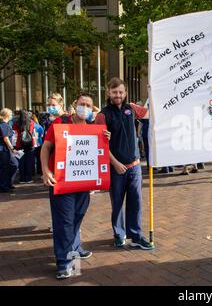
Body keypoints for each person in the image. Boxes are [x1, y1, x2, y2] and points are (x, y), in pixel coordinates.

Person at [41, 92, 110, 279]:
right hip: (61, 182)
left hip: (82, 184)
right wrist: (45, 170)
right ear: (75, 104)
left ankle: (73, 249)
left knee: (77, 217)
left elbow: (96, 154)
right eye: (82, 104)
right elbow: (46, 147)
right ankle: (64, 262)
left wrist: (104, 139)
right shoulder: (60, 123)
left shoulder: (92, 128)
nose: (85, 108)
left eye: (89, 105)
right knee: (64, 221)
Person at [95, 77, 153, 250]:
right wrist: (114, 163)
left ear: (125, 92)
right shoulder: (102, 115)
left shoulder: (132, 109)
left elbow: (151, 113)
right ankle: (119, 235)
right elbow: (101, 145)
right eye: (114, 92)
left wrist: (153, 92)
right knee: (118, 203)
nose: (118, 95)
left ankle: (135, 236)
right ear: (108, 93)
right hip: (116, 168)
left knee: (135, 202)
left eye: (121, 92)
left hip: (134, 166)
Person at [13, 110, 36, 184]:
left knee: (21, 162)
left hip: (19, 145)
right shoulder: (31, 122)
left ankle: (22, 178)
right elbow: (32, 132)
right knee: (29, 161)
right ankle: (28, 178)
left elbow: (15, 133)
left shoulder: (16, 123)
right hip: (30, 144)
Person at [0, 108, 19, 193]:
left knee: (14, 164)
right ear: (7, 115)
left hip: (6, 149)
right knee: (4, 168)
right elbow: (6, 138)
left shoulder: (5, 124)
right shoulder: (4, 125)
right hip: (4, 149)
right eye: (11, 114)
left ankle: (8, 183)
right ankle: (3, 186)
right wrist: (12, 148)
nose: (12, 116)